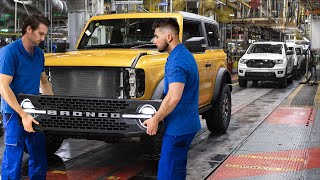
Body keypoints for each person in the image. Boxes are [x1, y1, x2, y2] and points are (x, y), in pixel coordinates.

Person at [143, 18, 201, 180]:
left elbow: (173, 97)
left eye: (156, 36)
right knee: (176, 172)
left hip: (178, 128)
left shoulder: (177, 61)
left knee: (167, 174)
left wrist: (155, 119)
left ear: (168, 37)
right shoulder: (183, 54)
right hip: (186, 124)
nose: (154, 40)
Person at [0, 13, 53, 180]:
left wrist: (50, 108)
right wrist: (23, 115)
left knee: (39, 156)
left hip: (35, 111)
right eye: (41, 33)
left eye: (45, 34)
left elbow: (44, 83)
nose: (43, 38)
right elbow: (3, 86)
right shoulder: (10, 52)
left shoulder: (39, 54)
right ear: (29, 30)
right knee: (13, 158)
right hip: (14, 113)